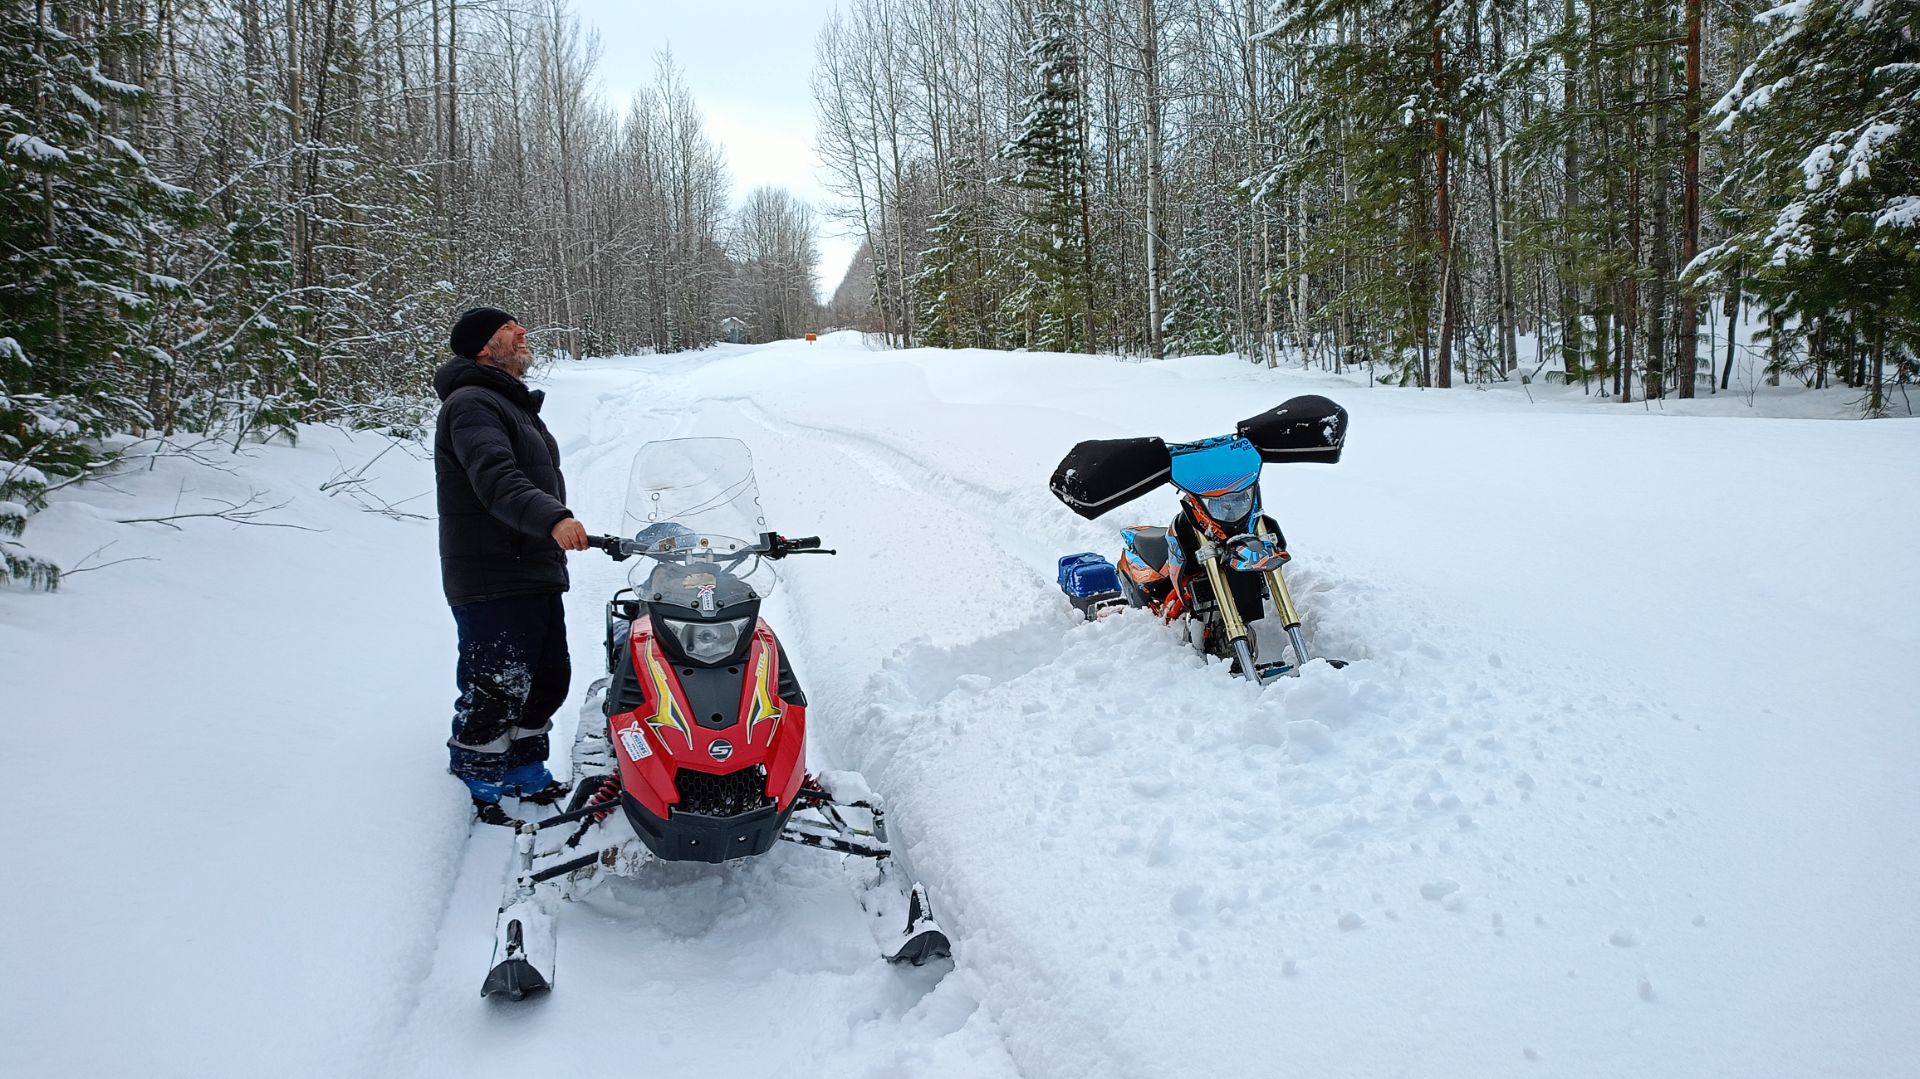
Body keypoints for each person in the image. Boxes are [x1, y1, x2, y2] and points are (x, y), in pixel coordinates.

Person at [433, 306, 591, 826]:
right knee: (496, 683)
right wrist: (554, 518)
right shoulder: (471, 403)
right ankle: (477, 780)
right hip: (491, 573)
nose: (522, 331)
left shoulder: (509, 404)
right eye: (508, 328)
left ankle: (524, 769)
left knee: (548, 678)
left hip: (530, 566)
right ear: (484, 348)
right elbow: (495, 478)